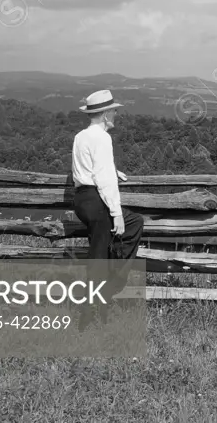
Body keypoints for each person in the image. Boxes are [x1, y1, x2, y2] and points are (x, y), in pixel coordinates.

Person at [71, 89, 145, 328]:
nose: (116, 114)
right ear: (104, 114)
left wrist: (112, 170)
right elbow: (103, 180)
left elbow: (88, 168)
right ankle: (92, 311)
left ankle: (97, 303)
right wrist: (116, 213)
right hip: (97, 200)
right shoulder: (103, 138)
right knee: (101, 254)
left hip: (82, 199)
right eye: (113, 110)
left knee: (102, 248)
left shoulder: (81, 136)